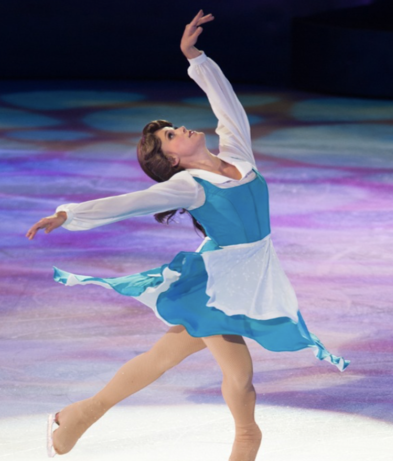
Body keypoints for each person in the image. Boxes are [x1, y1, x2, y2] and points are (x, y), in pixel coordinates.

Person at [26, 10, 348, 461]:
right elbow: (131, 201)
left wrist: (195, 58)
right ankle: (246, 440)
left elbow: (226, 102)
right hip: (219, 280)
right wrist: (69, 214)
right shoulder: (188, 185)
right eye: (171, 136)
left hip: (251, 273)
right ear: (172, 160)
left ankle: (79, 415)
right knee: (239, 374)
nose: (180, 129)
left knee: (164, 356)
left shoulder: (238, 154)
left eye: (173, 127)